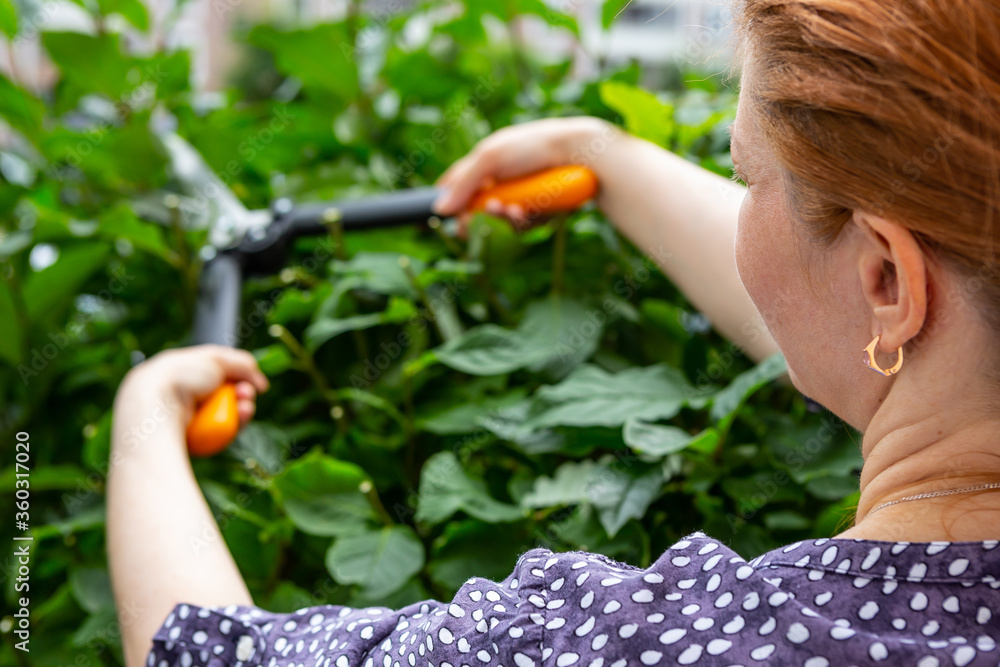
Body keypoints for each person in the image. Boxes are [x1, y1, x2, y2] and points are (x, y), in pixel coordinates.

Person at [109, 0, 1000, 665]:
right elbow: (886, 316)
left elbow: (211, 651)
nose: (739, 207)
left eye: (745, 176)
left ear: (886, 277)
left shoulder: (622, 641)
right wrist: (605, 160)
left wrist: (145, 419)